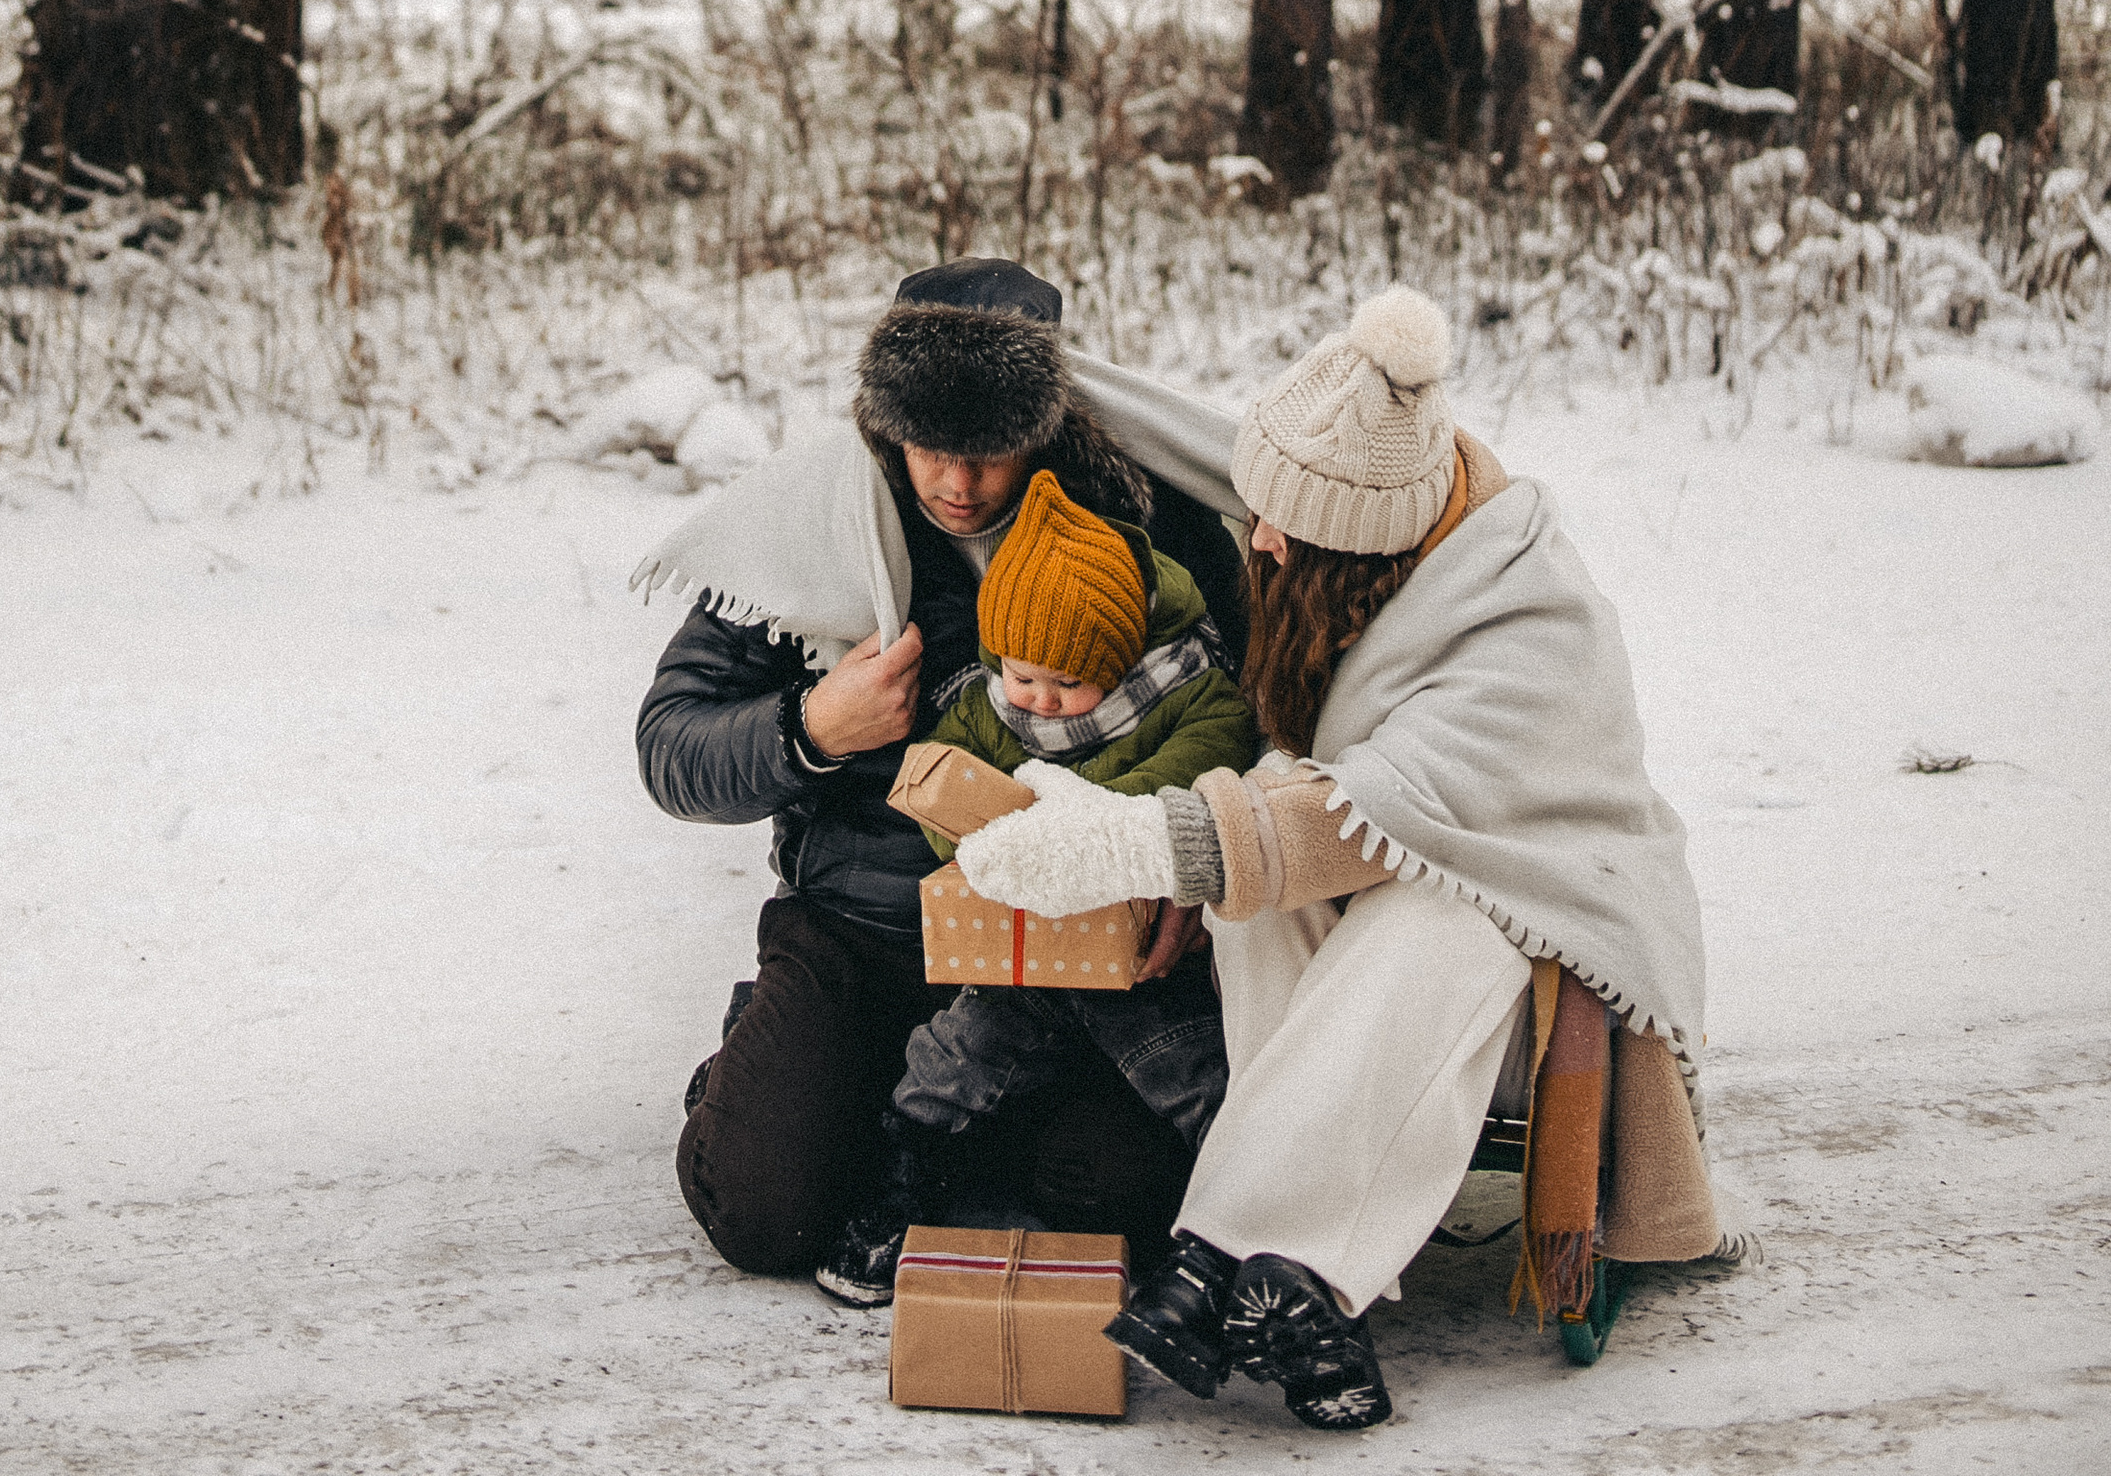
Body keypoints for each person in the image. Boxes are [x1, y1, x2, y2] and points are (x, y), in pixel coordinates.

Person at [957, 287, 1728, 1433]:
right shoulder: (1371, 545)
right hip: (1393, 983)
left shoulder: (1530, 629)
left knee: (1441, 921)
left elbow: (1357, 820)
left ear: (1357, 544)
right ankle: (1308, 1301)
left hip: (1546, 966)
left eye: (1281, 529)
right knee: (1259, 908)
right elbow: (1308, 808)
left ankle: (1226, 1250)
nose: (1256, 539)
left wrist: (1132, 841)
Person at [633, 259, 1250, 1277]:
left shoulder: (1144, 519)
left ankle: (952, 1122)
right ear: (886, 422)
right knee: (759, 1211)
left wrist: (1199, 860)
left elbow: (1248, 714)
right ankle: (792, 1068)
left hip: (1079, 945)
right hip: (867, 933)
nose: (957, 485)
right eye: (929, 448)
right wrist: (811, 726)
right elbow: (669, 746)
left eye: (991, 452)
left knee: (1123, 1195)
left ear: (1046, 424)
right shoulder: (808, 522)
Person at [812, 463, 1256, 1307]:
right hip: (1022, 953)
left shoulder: (1188, 698)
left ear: (1124, 663)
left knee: (1196, 1075)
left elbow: (1200, 765)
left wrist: (1080, 825)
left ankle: (1242, 1232)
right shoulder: (990, 707)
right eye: (1025, 678)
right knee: (952, 1059)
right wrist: (978, 822)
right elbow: (940, 776)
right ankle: (899, 1191)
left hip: (1140, 961)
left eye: (1070, 685)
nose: (1043, 704)